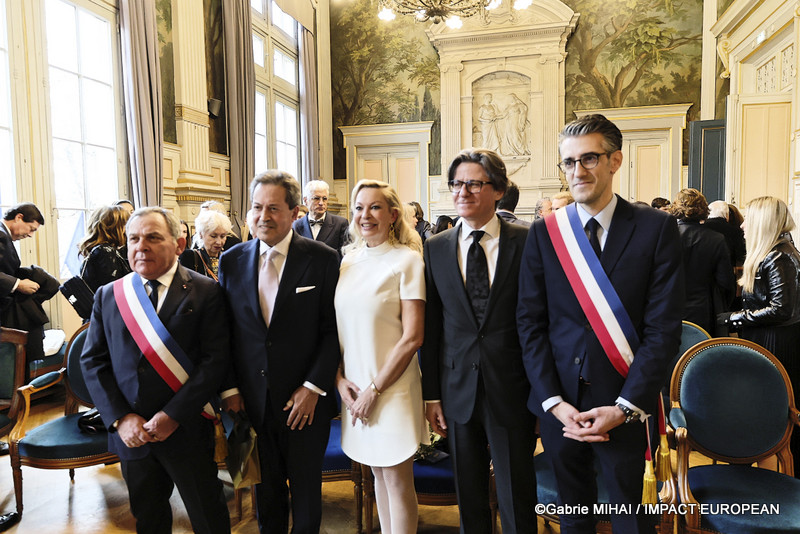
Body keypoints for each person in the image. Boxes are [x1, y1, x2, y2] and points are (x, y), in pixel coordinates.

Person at [517, 114, 684, 534]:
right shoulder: (545, 233)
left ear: (615, 161)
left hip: (627, 404)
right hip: (563, 409)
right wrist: (554, 402)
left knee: (633, 520)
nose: (577, 171)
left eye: (588, 158)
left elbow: (663, 328)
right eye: (568, 162)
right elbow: (530, 324)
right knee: (574, 519)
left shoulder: (657, 229)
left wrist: (624, 408)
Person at [80, 207, 231, 534]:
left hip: (187, 427)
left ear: (178, 243)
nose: (140, 246)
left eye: (152, 237)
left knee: (208, 514)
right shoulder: (110, 295)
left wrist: (173, 415)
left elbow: (215, 360)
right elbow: (93, 361)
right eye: (133, 239)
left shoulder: (206, 291)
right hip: (132, 434)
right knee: (148, 518)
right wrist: (120, 418)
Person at [421, 149, 538, 534]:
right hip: (457, 390)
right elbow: (433, 327)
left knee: (516, 492)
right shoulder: (436, 246)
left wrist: (544, 391)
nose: (463, 192)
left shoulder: (529, 241)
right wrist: (432, 394)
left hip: (513, 386)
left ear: (499, 189)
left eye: (474, 183)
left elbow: (541, 321)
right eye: (457, 183)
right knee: (468, 495)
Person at [218, 171, 340, 534]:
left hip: (306, 404)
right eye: (256, 207)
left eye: (273, 207)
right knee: (265, 493)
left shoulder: (322, 258)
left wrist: (313, 387)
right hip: (251, 403)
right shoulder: (232, 260)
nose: (263, 216)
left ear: (294, 211)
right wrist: (230, 390)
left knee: (306, 494)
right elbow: (224, 333)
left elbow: (333, 331)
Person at [335, 180, 426, 534]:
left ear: (392, 215)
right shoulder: (347, 261)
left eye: (374, 207)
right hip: (354, 390)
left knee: (397, 479)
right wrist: (340, 380)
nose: (365, 215)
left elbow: (413, 336)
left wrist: (374, 389)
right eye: (359, 207)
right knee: (376, 474)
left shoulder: (407, 261)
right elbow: (340, 330)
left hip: (391, 388)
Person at [718, 196, 800, 474]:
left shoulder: (778, 255)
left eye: (748, 220)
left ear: (762, 222)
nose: (742, 227)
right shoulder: (779, 251)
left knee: (770, 410)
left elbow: (781, 309)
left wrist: (734, 318)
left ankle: (771, 477)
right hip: (771, 338)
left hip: (774, 341)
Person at [670, 189, 735, 334]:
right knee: (702, 352)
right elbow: (726, 282)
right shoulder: (716, 239)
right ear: (704, 209)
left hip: (669, 307)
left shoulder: (664, 237)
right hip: (704, 309)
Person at [78, 205, 131, 293]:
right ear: (116, 227)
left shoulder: (98, 250)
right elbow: (113, 291)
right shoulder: (106, 252)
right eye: (126, 224)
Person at [293, 180, 350, 258]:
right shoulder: (296, 225)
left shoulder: (340, 224)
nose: (321, 203)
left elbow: (345, 255)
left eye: (324, 199)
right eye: (316, 198)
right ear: (306, 201)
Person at [179, 210, 231, 281]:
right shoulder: (188, 257)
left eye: (222, 236)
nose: (219, 242)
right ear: (201, 234)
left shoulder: (229, 258)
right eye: (213, 236)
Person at [705, 200, 746, 267]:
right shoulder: (736, 232)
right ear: (727, 215)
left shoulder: (700, 229)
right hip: (727, 272)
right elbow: (741, 256)